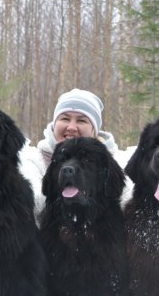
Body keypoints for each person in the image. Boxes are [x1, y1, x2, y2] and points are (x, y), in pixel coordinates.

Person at [20, 88, 126, 218]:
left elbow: (126, 200)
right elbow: (30, 203)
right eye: (65, 119)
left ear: (95, 130)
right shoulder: (33, 161)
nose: (71, 127)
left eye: (81, 121)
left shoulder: (116, 161)